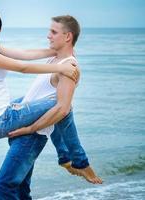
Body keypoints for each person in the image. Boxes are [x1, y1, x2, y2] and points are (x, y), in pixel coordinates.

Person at [0, 7, 79, 199]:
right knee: (61, 103)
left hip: (1, 114)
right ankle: (69, 157)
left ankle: (66, 156)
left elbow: (25, 54)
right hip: (0, 120)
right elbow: (22, 67)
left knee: (40, 101)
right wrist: (61, 67)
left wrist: (57, 51)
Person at [8, 15, 103, 184]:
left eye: (53, 32)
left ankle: (79, 161)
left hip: (33, 134)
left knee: (4, 185)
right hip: (28, 129)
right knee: (19, 188)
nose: (48, 35)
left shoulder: (69, 67)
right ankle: (68, 158)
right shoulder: (55, 58)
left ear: (68, 36)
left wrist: (30, 128)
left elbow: (62, 110)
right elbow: (25, 54)